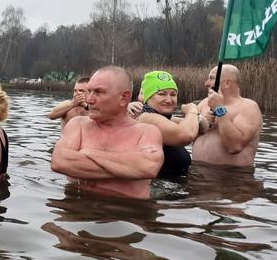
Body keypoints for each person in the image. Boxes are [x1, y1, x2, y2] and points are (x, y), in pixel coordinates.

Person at [50, 66, 164, 199]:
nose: (89, 100)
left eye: (98, 92)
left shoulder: (146, 131)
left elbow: (147, 167)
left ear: (123, 97)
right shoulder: (78, 124)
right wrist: (128, 169)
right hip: (78, 210)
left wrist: (88, 153)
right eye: (89, 91)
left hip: (130, 214)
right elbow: (59, 162)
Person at [193, 64, 262, 167]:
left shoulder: (248, 107)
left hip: (232, 177)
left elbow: (234, 146)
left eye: (211, 79)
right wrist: (201, 123)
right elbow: (188, 137)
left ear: (227, 83)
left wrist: (219, 109)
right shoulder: (204, 103)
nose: (206, 83)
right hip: (197, 173)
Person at [135, 71, 199, 175]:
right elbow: (186, 135)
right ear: (147, 97)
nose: (169, 100)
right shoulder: (147, 119)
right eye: (161, 94)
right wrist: (192, 111)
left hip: (172, 185)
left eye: (173, 94)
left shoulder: (166, 119)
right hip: (156, 188)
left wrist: (198, 117)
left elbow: (202, 127)